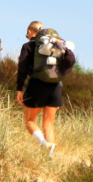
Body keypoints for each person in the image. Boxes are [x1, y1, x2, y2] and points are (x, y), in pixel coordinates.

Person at [16, 21, 76, 157]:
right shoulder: (57, 45)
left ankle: (44, 144)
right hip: (55, 87)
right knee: (48, 124)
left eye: (28, 33)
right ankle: (50, 158)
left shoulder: (28, 46)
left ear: (31, 31)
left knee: (29, 121)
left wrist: (19, 88)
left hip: (37, 84)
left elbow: (23, 68)